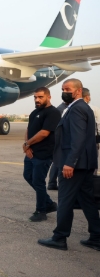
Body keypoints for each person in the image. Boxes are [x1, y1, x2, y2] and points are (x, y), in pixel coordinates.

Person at [38, 79, 100, 251]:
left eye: (68, 89)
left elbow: (78, 138)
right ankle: (97, 237)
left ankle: (60, 237)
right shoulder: (80, 107)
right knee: (88, 201)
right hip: (84, 164)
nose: (64, 91)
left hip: (74, 165)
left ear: (78, 91)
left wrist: (69, 163)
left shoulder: (77, 108)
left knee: (65, 201)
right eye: (63, 89)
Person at [22, 87, 60, 222]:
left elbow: (44, 133)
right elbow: (28, 129)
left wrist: (27, 144)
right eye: (35, 97)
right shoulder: (34, 113)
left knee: (38, 181)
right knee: (27, 176)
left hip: (43, 154)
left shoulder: (53, 112)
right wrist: (27, 145)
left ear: (49, 97)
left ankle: (41, 211)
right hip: (31, 153)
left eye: (40, 97)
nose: (37, 100)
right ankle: (49, 203)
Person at [47, 99, 68, 190]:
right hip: (60, 138)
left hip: (57, 138)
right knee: (57, 161)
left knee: (56, 161)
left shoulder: (60, 108)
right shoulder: (62, 109)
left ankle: (52, 182)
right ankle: (53, 182)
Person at [82, 88, 100, 176]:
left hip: (77, 141)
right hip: (93, 140)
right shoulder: (94, 109)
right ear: (88, 97)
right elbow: (99, 125)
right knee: (92, 161)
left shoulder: (69, 109)